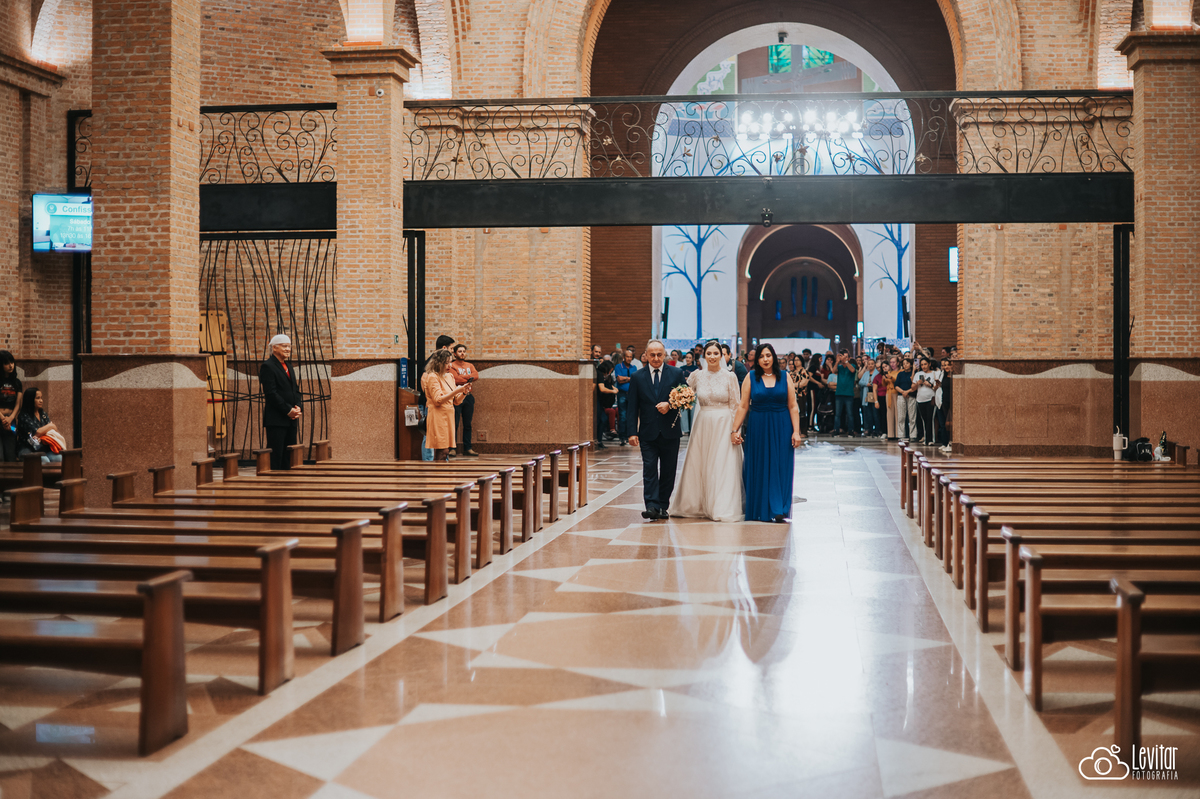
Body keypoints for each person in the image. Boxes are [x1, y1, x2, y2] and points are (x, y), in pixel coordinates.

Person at [671, 341, 744, 521]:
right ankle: (697, 504)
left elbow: (736, 405)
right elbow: (684, 393)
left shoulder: (730, 377)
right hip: (703, 423)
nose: (712, 357)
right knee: (701, 463)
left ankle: (721, 506)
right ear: (704, 356)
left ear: (721, 356)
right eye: (708, 353)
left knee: (721, 464)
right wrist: (678, 399)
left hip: (724, 424)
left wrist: (735, 430)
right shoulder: (697, 375)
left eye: (715, 353)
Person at [732, 343, 803, 523]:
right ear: (757, 360)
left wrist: (796, 431)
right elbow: (743, 405)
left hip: (782, 425)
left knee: (781, 465)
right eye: (762, 356)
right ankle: (760, 508)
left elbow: (793, 406)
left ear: (774, 357)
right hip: (758, 426)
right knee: (759, 465)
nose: (765, 359)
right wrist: (735, 429)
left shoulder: (785, 377)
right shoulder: (750, 377)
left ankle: (779, 508)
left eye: (768, 355)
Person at [627, 339, 686, 520]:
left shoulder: (676, 373)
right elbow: (632, 406)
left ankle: (662, 506)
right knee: (650, 469)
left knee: (668, 470)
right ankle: (651, 505)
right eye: (652, 355)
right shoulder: (637, 377)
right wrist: (632, 432)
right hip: (648, 432)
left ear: (664, 355)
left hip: (670, 431)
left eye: (659, 354)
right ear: (645, 355)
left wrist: (670, 404)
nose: (656, 358)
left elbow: (686, 397)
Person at [260, 334, 302, 471]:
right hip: (277, 420)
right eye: (284, 346)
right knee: (276, 456)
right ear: (274, 348)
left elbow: (295, 390)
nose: (288, 349)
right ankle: (274, 482)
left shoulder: (289, 366)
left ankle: (289, 482)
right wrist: (288, 410)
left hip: (291, 420)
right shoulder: (268, 366)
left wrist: (298, 407)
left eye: (289, 346)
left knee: (289, 458)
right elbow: (271, 393)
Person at [422, 348, 472, 462]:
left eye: (450, 362)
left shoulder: (449, 376)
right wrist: (456, 391)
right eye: (446, 363)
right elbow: (437, 400)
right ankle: (439, 472)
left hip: (448, 416)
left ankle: (443, 471)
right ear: (438, 363)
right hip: (438, 416)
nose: (450, 365)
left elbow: (456, 401)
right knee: (442, 450)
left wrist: (464, 392)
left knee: (446, 450)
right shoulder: (432, 377)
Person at [16, 387, 63, 463]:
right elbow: (36, 432)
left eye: (41, 398)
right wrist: (50, 426)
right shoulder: (23, 416)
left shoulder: (43, 414)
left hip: (43, 447)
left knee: (59, 458)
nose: (41, 401)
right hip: (27, 448)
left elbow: (53, 430)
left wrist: (43, 434)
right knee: (44, 460)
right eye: (38, 398)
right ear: (30, 399)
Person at [450, 343, 480, 456]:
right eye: (460, 351)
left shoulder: (469, 365)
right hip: (457, 396)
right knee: (455, 423)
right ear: (455, 354)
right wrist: (469, 379)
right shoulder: (452, 365)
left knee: (467, 424)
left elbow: (476, 376)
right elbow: (455, 379)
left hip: (468, 396)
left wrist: (462, 377)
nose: (462, 353)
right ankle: (452, 448)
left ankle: (468, 448)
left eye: (464, 351)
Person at [0, 351, 22, 462]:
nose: (10, 365)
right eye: (6, 363)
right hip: (1, 419)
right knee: (0, 457)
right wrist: (3, 418)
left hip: (11, 423)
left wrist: (10, 418)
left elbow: (18, 404)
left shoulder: (17, 383)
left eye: (12, 362)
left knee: (10, 456)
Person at [913, 356, 940, 446]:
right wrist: (917, 383)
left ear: (929, 364)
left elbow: (937, 387)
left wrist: (930, 385)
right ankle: (925, 439)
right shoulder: (918, 374)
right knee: (924, 420)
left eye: (925, 364)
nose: (924, 366)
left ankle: (931, 439)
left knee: (930, 419)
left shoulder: (934, 373)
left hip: (930, 399)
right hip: (920, 399)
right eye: (922, 365)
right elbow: (912, 387)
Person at [613, 348, 638, 445]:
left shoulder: (634, 367)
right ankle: (622, 437)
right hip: (622, 394)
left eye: (630, 357)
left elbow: (635, 380)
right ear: (624, 357)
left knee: (630, 416)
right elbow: (619, 380)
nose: (629, 358)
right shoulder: (618, 366)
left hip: (631, 394)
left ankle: (629, 436)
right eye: (627, 356)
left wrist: (625, 379)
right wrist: (629, 379)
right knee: (622, 416)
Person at [832, 349, 856, 436]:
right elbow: (833, 371)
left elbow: (852, 370)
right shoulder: (839, 367)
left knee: (850, 414)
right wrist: (837, 361)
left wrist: (846, 361)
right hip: (839, 393)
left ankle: (851, 430)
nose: (844, 358)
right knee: (837, 414)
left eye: (846, 357)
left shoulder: (852, 365)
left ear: (849, 358)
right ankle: (836, 430)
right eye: (843, 356)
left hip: (849, 393)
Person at [595, 359, 618, 448]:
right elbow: (602, 388)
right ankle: (598, 441)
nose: (610, 373)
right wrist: (613, 391)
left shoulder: (599, 374)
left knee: (602, 419)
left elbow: (607, 384)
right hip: (597, 401)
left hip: (599, 401)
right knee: (601, 420)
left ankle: (599, 440)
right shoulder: (600, 374)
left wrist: (612, 388)